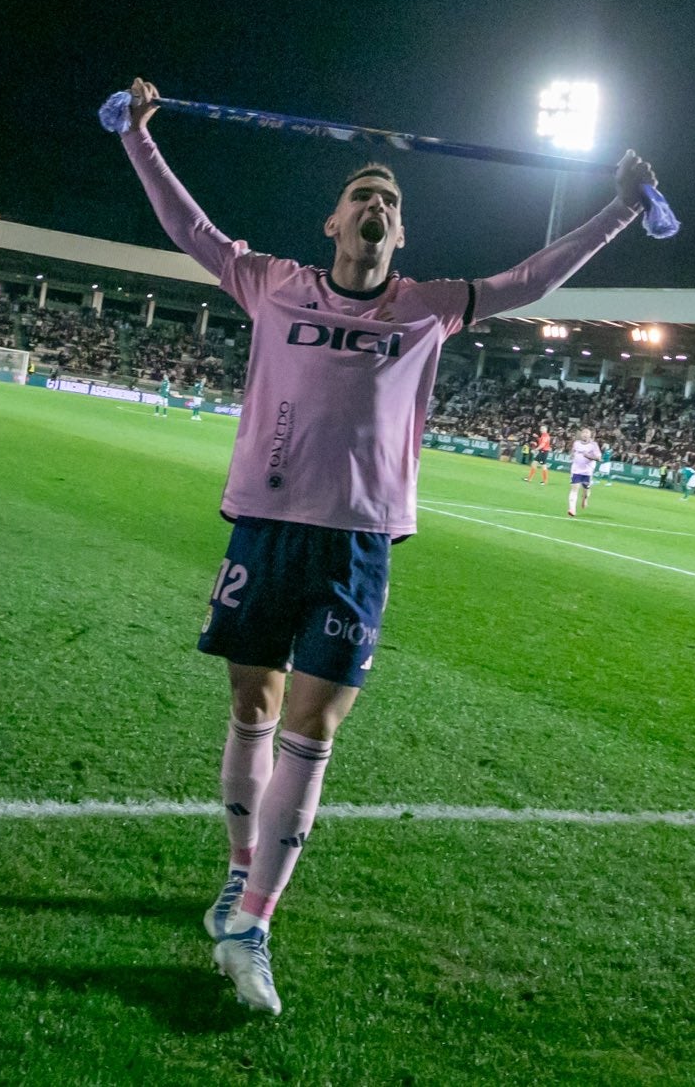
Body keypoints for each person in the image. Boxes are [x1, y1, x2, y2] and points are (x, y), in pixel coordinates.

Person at [116, 76, 659, 1015]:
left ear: (399, 235)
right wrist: (138, 137)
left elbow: (530, 278)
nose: (378, 205)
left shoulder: (431, 305)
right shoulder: (273, 283)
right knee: (254, 703)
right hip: (268, 523)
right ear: (335, 220)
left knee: (315, 726)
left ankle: (253, 922)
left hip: (360, 542)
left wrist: (617, 208)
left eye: (392, 202)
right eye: (365, 195)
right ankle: (238, 872)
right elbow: (191, 231)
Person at [566, 429, 602, 517]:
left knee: (586, 489)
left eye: (587, 433)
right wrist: (572, 455)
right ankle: (572, 509)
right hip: (576, 470)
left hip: (587, 471)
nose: (585, 434)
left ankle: (585, 499)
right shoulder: (576, 443)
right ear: (581, 435)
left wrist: (589, 456)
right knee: (574, 488)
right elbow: (573, 452)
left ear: (590, 435)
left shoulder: (593, 445)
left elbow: (599, 458)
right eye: (583, 433)